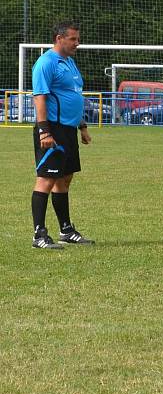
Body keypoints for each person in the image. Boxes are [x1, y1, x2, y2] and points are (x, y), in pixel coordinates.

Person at [30, 20, 95, 249]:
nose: (77, 43)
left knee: (65, 178)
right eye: (73, 39)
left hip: (68, 129)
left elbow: (74, 95)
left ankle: (66, 230)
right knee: (46, 179)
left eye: (78, 39)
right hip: (52, 129)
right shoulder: (45, 63)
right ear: (59, 38)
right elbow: (40, 97)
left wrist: (82, 126)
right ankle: (39, 235)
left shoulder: (70, 63)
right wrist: (44, 131)